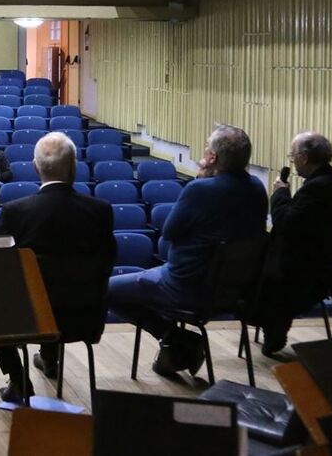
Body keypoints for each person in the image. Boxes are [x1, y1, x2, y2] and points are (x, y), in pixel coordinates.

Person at [107, 125, 268, 378]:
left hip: (185, 287)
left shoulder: (200, 189)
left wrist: (200, 180)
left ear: (212, 157)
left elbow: (169, 232)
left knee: (107, 289)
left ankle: (171, 335)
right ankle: (175, 344)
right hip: (234, 292)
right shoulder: (257, 188)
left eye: (207, 148)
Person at [0, 132, 116, 402]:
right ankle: (49, 358)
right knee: (60, 286)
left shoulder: (15, 212)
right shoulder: (101, 211)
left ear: (36, 167)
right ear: (74, 166)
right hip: (84, 320)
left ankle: (19, 380)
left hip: (28, 322)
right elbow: (108, 262)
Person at [258, 132, 332, 356]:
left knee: (254, 269)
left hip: (304, 273)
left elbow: (285, 224)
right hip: (319, 264)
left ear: (305, 158)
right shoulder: (330, 183)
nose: (292, 161)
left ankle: (273, 327)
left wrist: (280, 193)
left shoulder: (317, 188)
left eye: (293, 156)